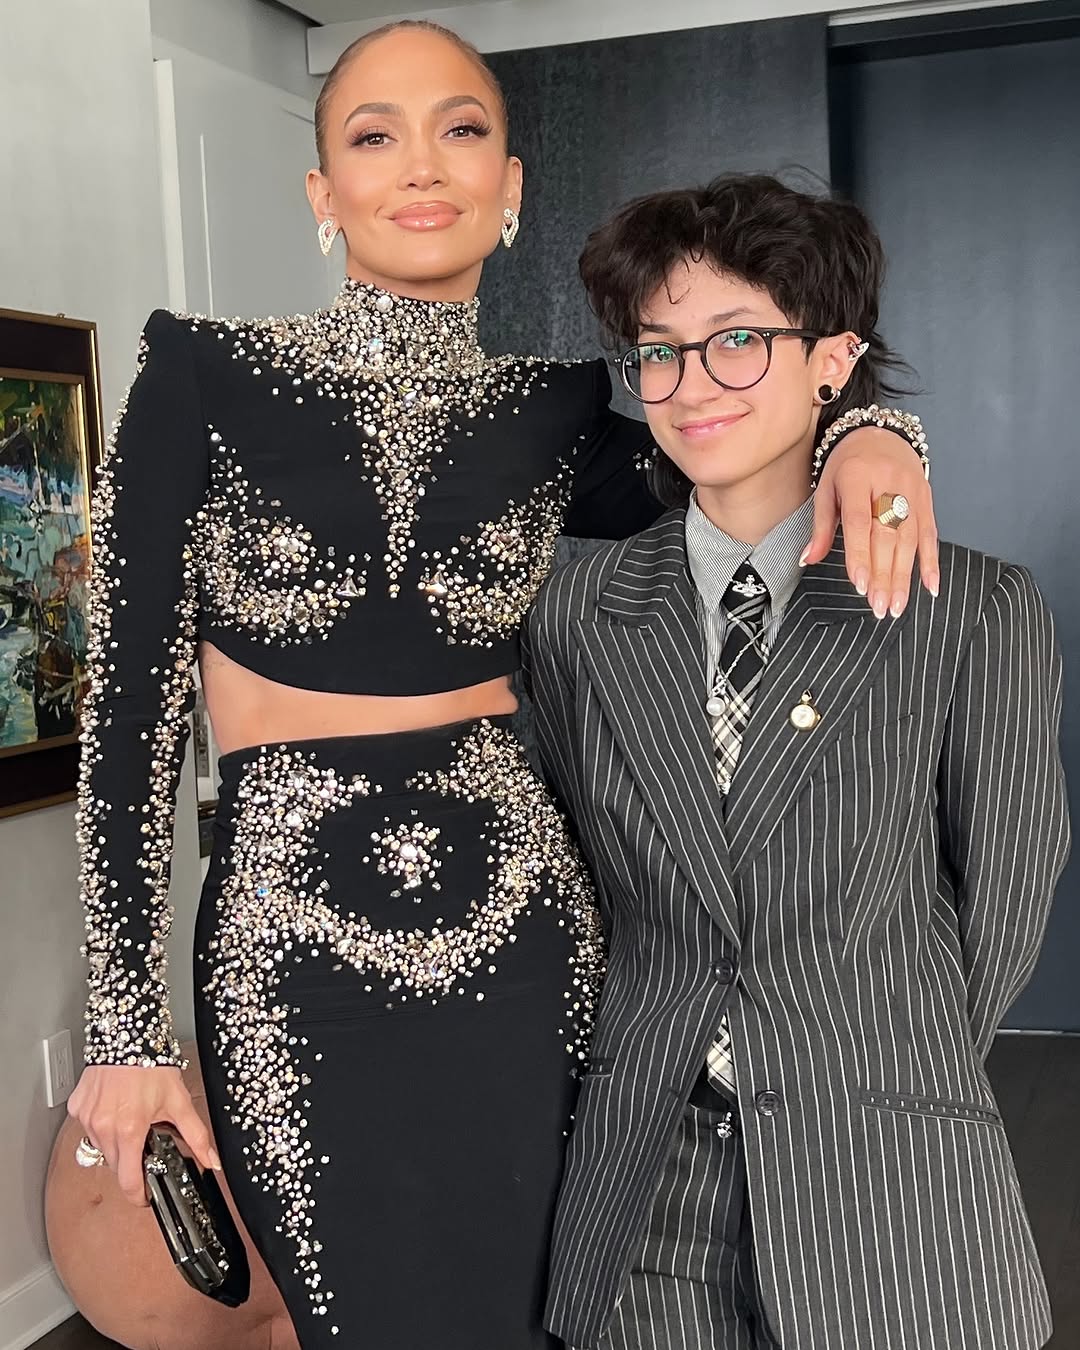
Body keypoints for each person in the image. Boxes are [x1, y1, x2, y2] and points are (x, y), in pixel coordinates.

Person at [68, 23, 935, 1350]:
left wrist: (873, 427)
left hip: (525, 937)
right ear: (323, 191)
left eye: (461, 129)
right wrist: (125, 1026)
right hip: (289, 953)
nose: (423, 164)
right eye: (375, 135)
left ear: (511, 183)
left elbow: (748, 453)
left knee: (538, 1316)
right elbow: (127, 719)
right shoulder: (202, 374)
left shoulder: (561, 411)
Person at [524, 172, 1070, 1350]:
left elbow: (1007, 899)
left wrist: (873, 1064)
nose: (688, 386)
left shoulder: (970, 610)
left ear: (832, 360)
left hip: (886, 1165)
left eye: (736, 341)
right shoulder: (576, 615)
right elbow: (579, 880)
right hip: (645, 1178)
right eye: (658, 352)